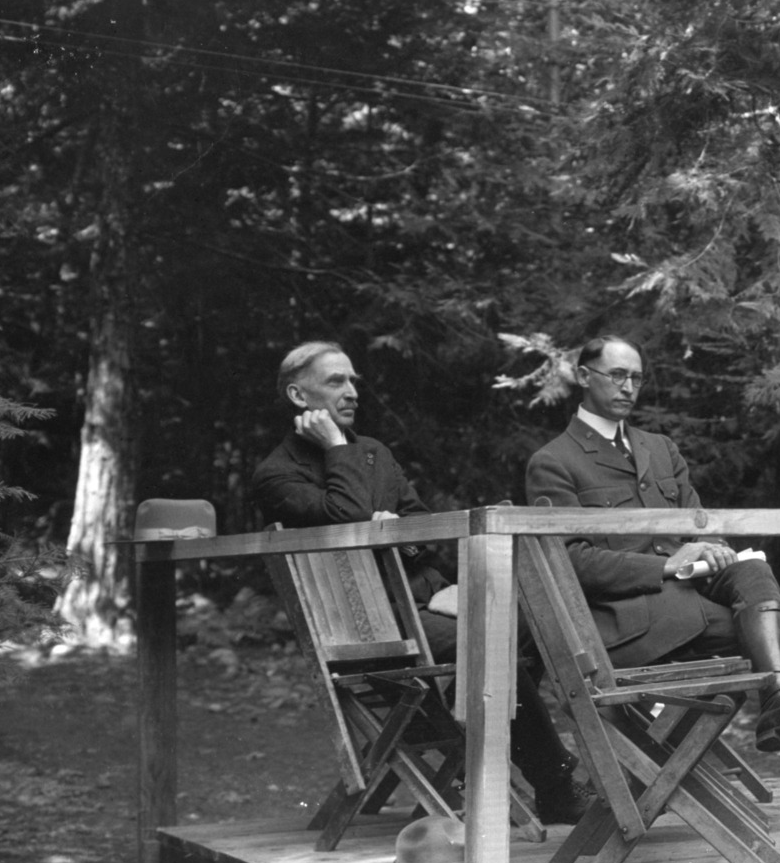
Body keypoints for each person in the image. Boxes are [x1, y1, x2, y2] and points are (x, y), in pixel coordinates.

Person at [522, 336, 780, 810]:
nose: (630, 387)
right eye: (618, 376)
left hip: (687, 602)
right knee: (766, 638)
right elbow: (572, 561)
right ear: (584, 377)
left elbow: (697, 524)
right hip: (624, 624)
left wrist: (711, 548)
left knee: (752, 573)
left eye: (638, 378)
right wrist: (665, 563)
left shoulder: (660, 449)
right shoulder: (554, 461)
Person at [252, 341, 589, 822]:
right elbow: (346, 520)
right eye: (335, 382)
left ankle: (475, 761)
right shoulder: (277, 475)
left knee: (529, 623)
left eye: (352, 382)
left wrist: (411, 554)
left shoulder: (375, 454)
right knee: (492, 642)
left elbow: (423, 529)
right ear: (298, 396)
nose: (351, 392)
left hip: (423, 606)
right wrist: (339, 452)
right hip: (365, 625)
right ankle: (552, 782)